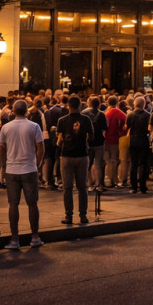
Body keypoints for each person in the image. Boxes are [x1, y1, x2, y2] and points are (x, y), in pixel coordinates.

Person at [0, 99, 42, 249]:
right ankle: (34, 236)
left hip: (12, 170)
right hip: (29, 168)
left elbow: (1, 148)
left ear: (13, 111)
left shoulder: (6, 128)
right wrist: (37, 164)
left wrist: (4, 165)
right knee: (32, 204)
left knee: (13, 204)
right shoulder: (34, 126)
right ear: (27, 111)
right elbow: (40, 148)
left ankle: (15, 239)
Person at [56, 94, 91, 225]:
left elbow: (59, 141)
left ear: (68, 106)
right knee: (83, 187)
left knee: (67, 187)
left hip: (67, 155)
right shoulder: (86, 120)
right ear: (80, 105)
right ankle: (83, 215)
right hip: (82, 154)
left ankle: (68, 215)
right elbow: (91, 137)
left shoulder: (62, 120)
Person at [125, 96, 151, 194]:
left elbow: (126, 127)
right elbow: (149, 128)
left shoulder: (130, 115)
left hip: (133, 141)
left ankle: (134, 186)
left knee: (133, 164)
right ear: (144, 104)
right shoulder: (148, 115)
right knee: (144, 164)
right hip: (144, 140)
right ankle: (143, 186)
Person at [103, 95, 126, 189]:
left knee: (106, 161)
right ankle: (113, 180)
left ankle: (107, 179)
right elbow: (124, 128)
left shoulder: (105, 113)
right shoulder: (121, 114)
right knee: (114, 160)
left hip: (105, 140)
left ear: (107, 102)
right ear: (117, 102)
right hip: (115, 139)